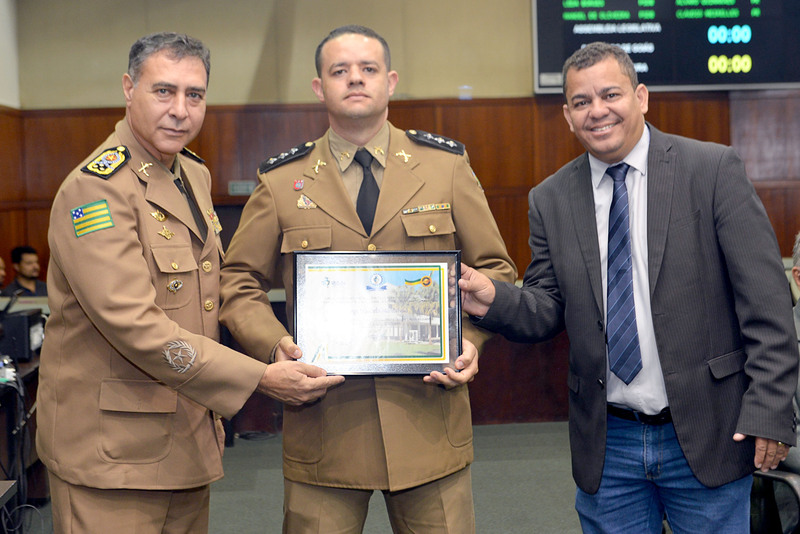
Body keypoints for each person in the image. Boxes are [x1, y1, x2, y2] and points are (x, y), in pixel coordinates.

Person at [458, 41, 798, 533]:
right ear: (568, 116)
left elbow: (767, 305)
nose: (597, 111)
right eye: (581, 101)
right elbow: (548, 306)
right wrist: (495, 300)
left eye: (610, 94)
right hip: (609, 439)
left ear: (641, 97)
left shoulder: (711, 170)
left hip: (709, 429)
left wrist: (770, 410)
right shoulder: (550, 198)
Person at [36, 32, 342, 534]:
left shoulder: (191, 174)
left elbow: (206, 296)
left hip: (184, 434)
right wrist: (258, 377)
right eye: (164, 91)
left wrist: (275, 344)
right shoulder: (95, 190)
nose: (180, 110)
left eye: (194, 95)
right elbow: (134, 323)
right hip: (113, 453)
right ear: (128, 88)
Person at [219, 25, 516, 534]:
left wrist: (470, 340)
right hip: (325, 427)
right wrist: (275, 348)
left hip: (427, 423)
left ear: (390, 81)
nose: (355, 79)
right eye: (340, 70)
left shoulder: (444, 166)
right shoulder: (282, 181)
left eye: (368, 69)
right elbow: (239, 281)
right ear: (319, 87)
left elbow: (495, 270)